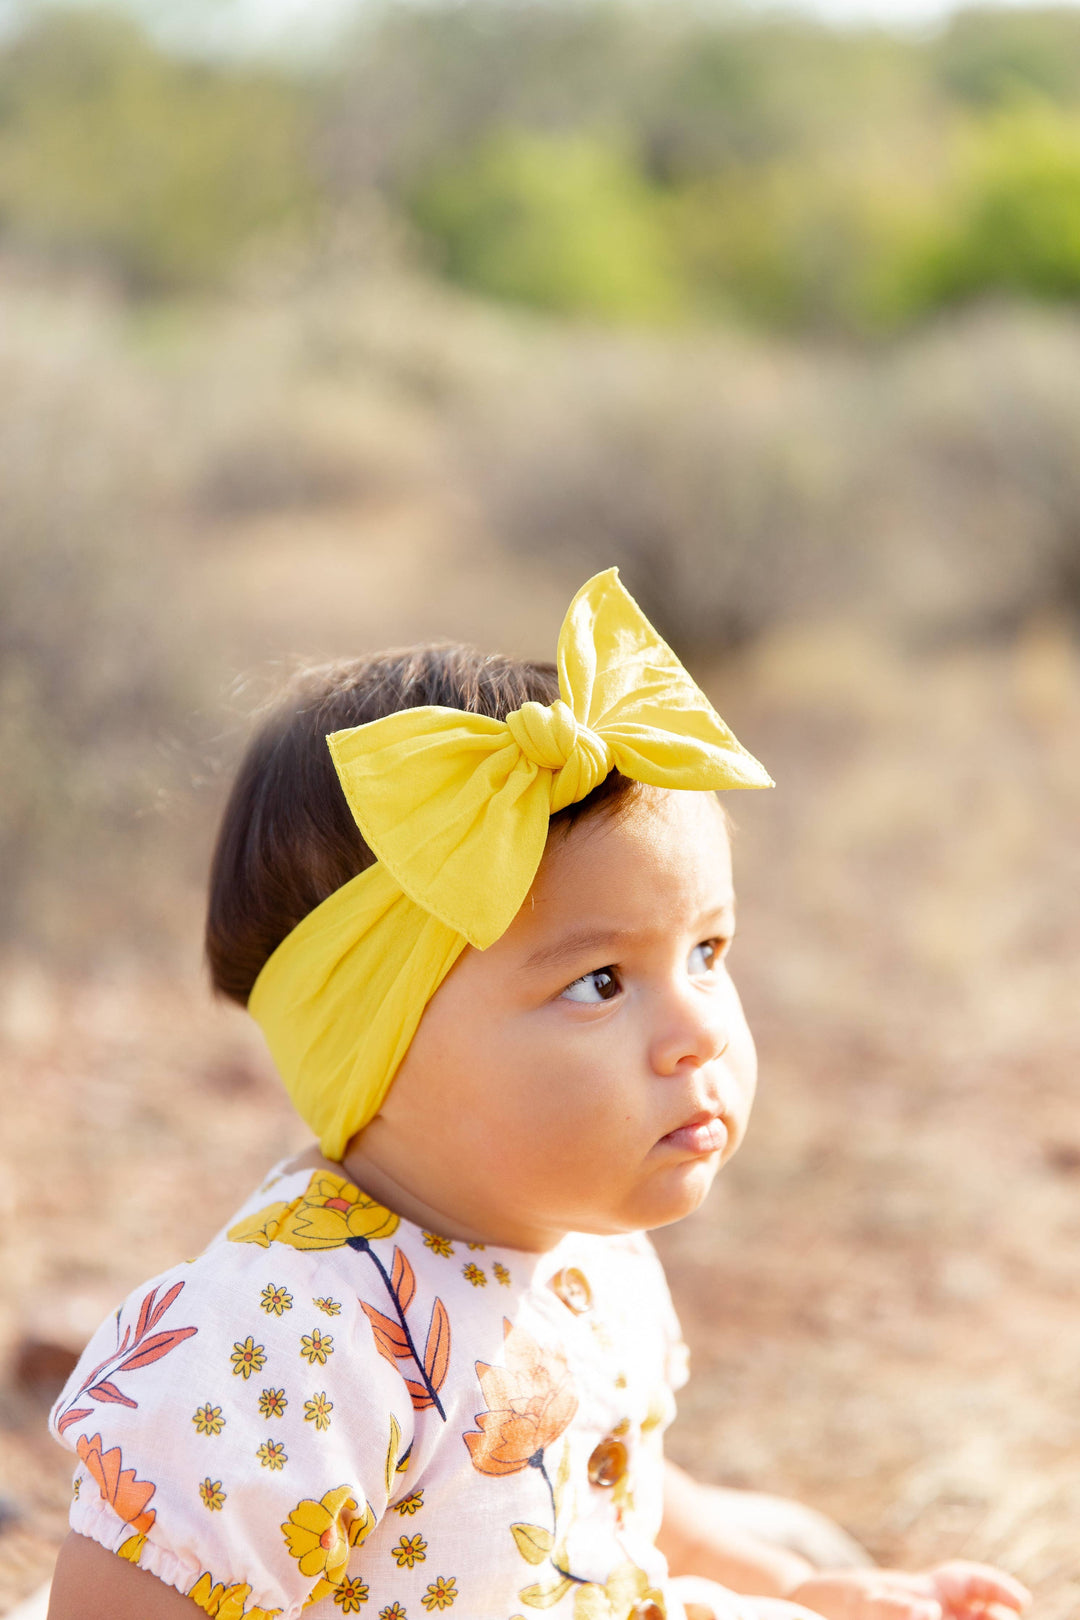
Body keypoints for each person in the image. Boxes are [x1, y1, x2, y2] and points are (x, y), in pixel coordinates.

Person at [46, 571, 1030, 1620]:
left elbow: (619, 1502)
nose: (700, 1028)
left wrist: (800, 1589)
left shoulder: (584, 1247)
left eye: (707, 950)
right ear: (375, 1038)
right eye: (599, 983)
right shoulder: (283, 1346)